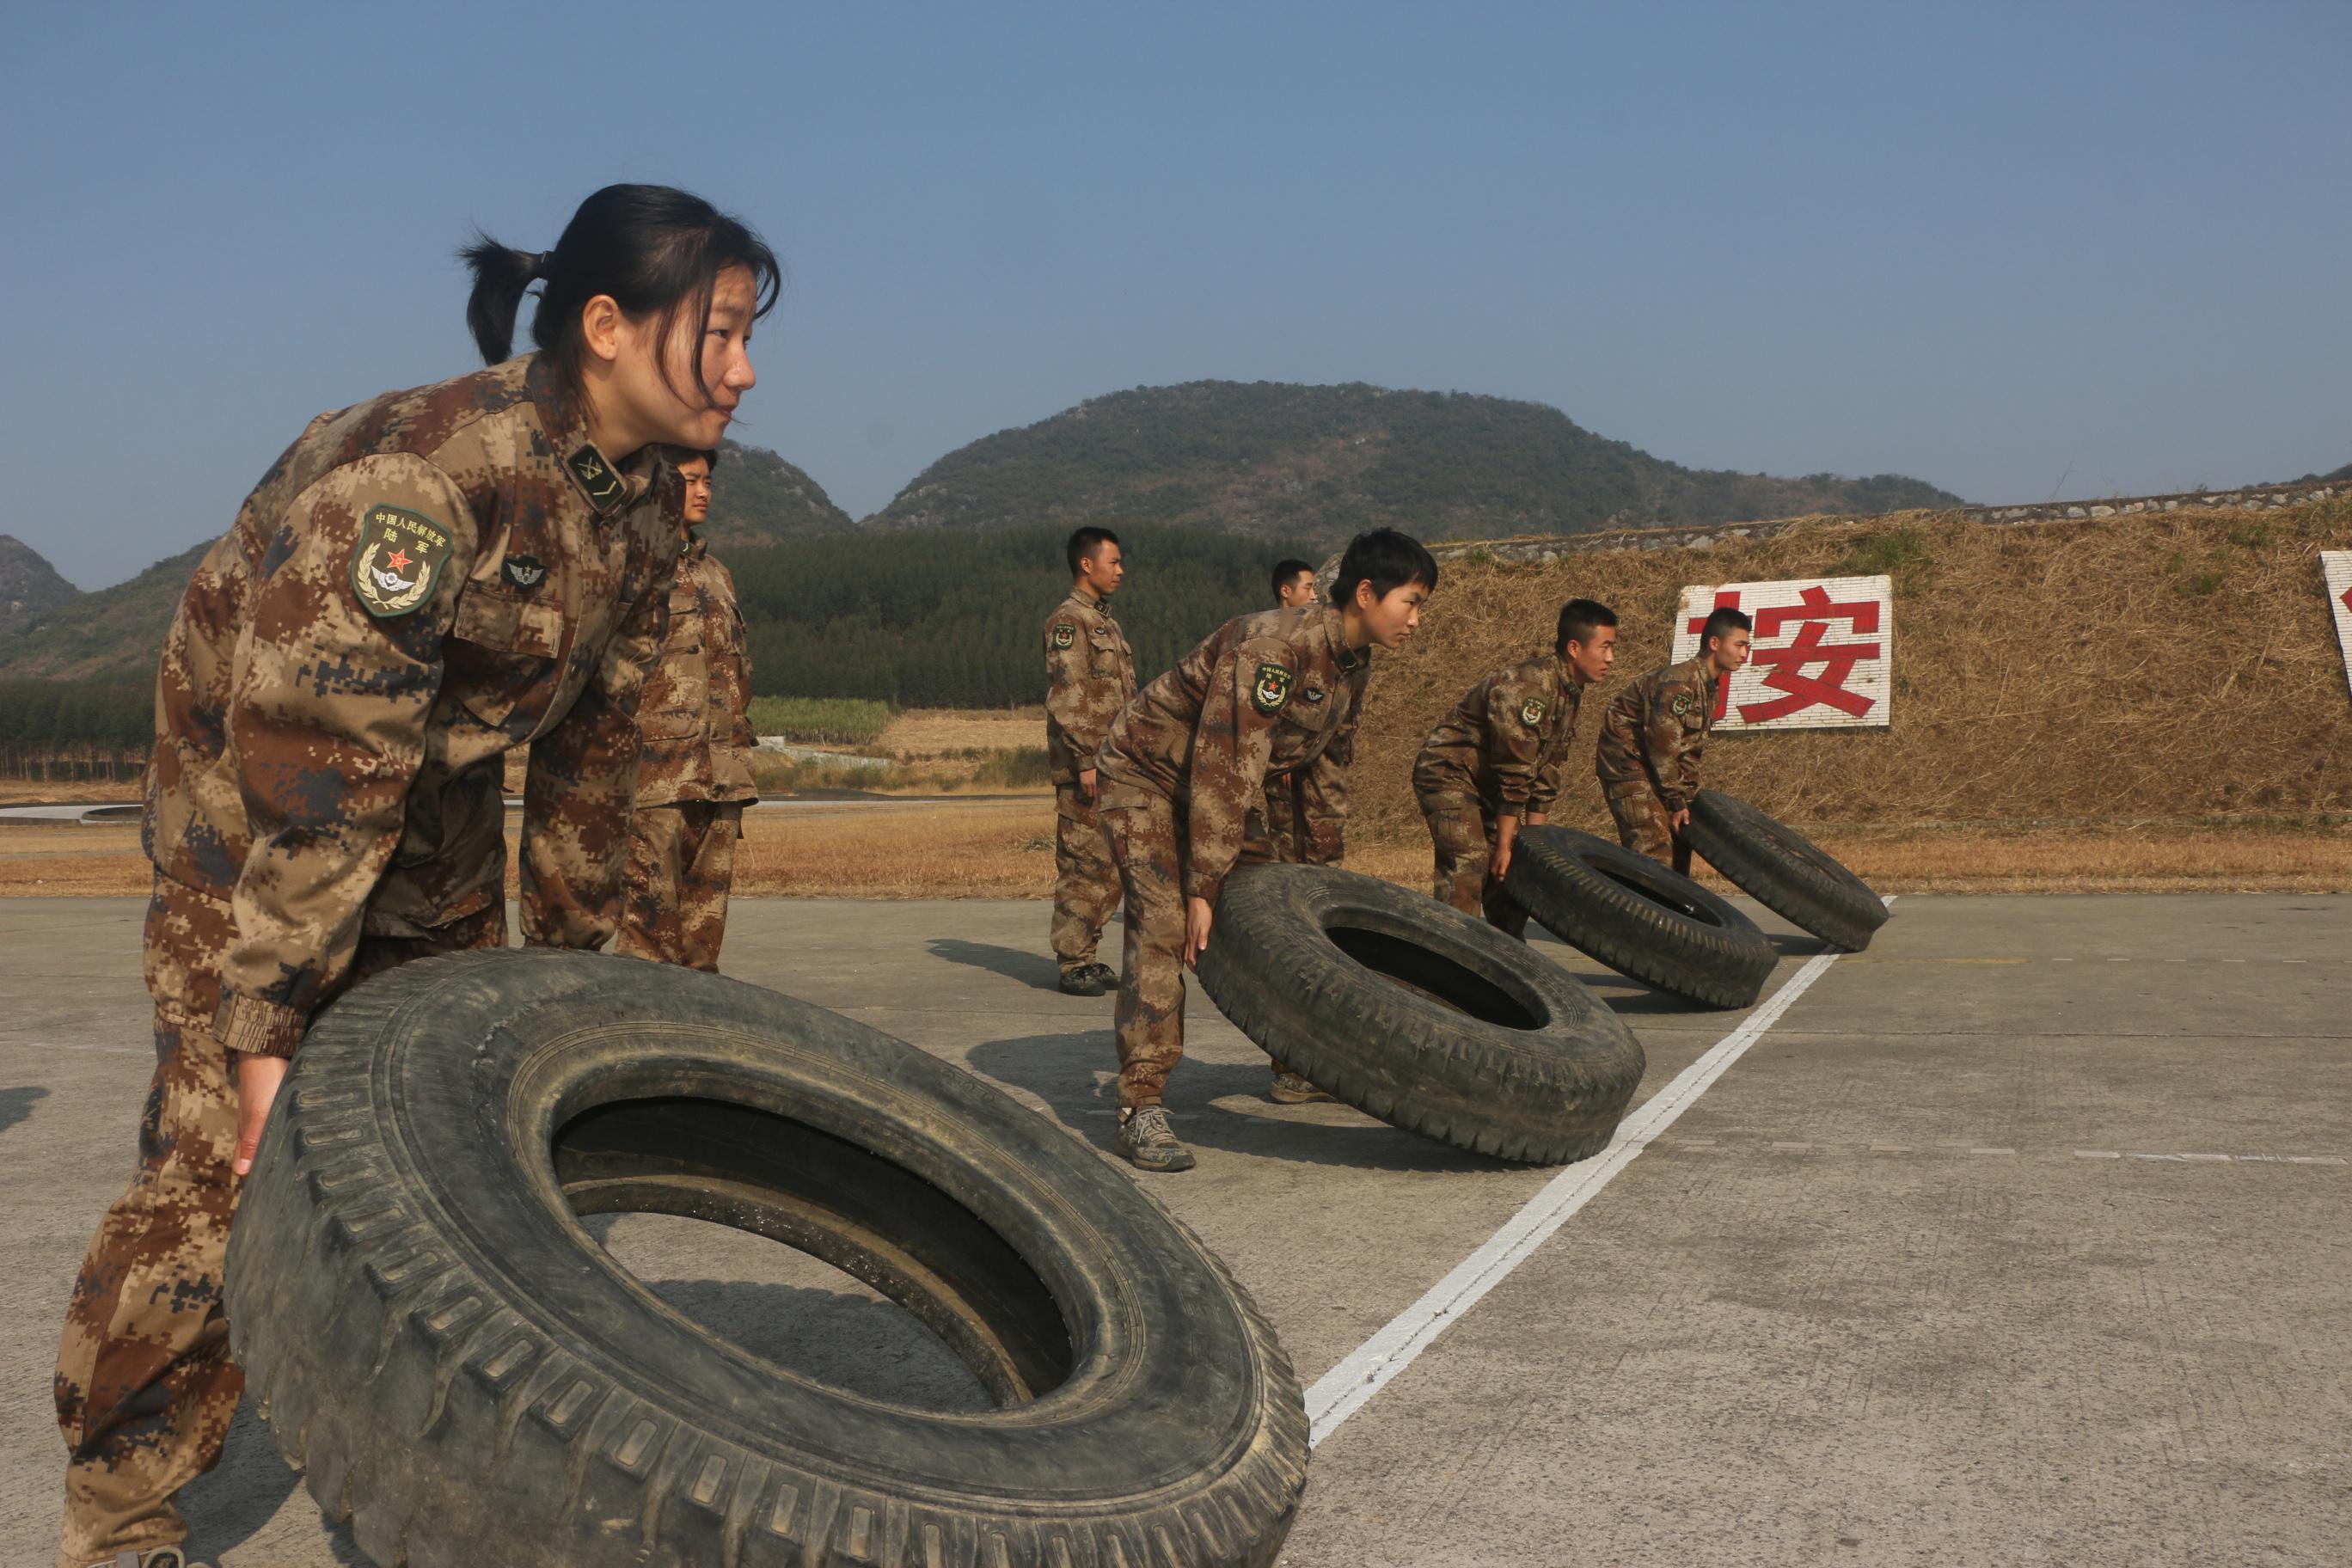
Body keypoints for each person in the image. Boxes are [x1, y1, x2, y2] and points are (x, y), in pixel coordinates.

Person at [51, 184, 777, 1568]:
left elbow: (595, 739)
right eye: (725, 332)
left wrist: (565, 988)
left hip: (422, 806)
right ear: (610, 327)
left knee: (440, 1141)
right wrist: (264, 1032)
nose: (747, 370)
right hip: (253, 824)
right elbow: (317, 778)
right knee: (227, 1173)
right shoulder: (424, 482)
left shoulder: (630, 506)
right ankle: (123, 1513)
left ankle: (416, 1465)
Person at [1093, 529, 1436, 1171]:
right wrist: (1203, 885)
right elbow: (1227, 763)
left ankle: (1295, 1067)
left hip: (1225, 788)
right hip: (1148, 777)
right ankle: (1140, 1105)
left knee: (1282, 918)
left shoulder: (1353, 663)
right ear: (1366, 593)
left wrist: (1318, 871)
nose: (1416, 620)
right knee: (1167, 925)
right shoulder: (1276, 649)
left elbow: (1327, 765)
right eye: (1410, 603)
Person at [615, 447, 759, 972]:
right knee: (648, 937)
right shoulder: (627, 562)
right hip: (655, 778)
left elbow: (739, 673)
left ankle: (697, 1043)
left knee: (703, 939)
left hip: (720, 775)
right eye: (690, 480)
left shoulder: (717, 574)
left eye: (708, 482)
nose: (703, 491)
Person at [1412, 598, 1618, 935]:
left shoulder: (1568, 689)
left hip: (1489, 784)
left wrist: (1529, 844)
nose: (1611, 658)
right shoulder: (1528, 689)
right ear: (1574, 648)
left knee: (1514, 873)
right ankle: (1449, 953)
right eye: (1605, 647)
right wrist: (1506, 844)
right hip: (1448, 773)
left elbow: (1547, 770)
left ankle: (1509, 955)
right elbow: (1515, 771)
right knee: (1472, 862)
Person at [1041, 527, 1136, 996]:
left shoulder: (1105, 623)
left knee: (1108, 865)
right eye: (1113, 562)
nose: (1120, 570)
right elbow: (1067, 697)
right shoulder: (1069, 621)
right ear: (1087, 564)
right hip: (1088, 766)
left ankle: (1089, 954)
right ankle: (1072, 960)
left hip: (1113, 763)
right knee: (1082, 863)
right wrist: (1085, 760)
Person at [1594, 605, 1753, 873]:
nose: (1744, 654)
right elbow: (1663, 748)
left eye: (1747, 646)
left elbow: (1688, 751)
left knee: (1681, 845)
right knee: (1654, 850)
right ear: (1714, 643)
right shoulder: (1679, 683)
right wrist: (1675, 800)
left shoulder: (1707, 687)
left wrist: (1686, 802)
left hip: (1654, 767)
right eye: (1739, 645)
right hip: (1628, 765)